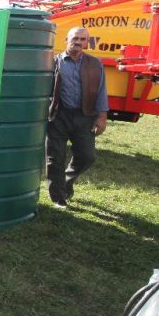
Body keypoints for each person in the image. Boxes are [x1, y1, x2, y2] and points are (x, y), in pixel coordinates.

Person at [46, 26, 108, 209]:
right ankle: (58, 197)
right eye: (75, 38)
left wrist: (102, 116)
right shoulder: (54, 62)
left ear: (86, 42)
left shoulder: (95, 63)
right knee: (55, 157)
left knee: (87, 156)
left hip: (85, 116)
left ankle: (66, 181)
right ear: (66, 39)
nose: (79, 42)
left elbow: (102, 90)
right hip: (58, 115)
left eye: (83, 39)